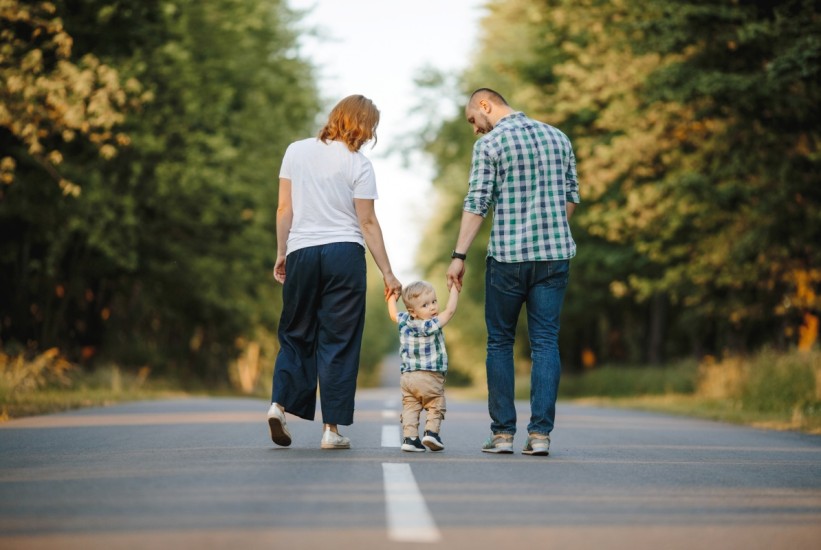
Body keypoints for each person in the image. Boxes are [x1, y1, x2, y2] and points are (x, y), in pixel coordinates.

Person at [446, 88, 580, 456]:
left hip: (508, 258)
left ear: (485, 105)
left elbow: (477, 202)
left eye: (474, 119)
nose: (475, 129)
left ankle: (503, 435)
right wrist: (551, 229)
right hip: (554, 258)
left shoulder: (491, 146)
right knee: (546, 343)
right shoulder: (558, 137)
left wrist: (459, 255)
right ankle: (539, 436)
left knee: (501, 342)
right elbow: (571, 195)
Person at [267, 95, 402, 450]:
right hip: (344, 254)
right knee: (338, 341)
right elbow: (367, 222)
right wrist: (388, 273)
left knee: (296, 334)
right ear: (364, 126)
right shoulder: (360, 164)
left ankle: (278, 405)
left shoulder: (295, 151)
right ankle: (331, 430)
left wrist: (282, 252)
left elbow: (284, 208)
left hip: (302, 252)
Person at [387, 281, 459, 452]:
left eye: (434, 301)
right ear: (413, 311)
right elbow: (449, 311)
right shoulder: (430, 325)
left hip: (408, 377)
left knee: (410, 406)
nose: (433, 308)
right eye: (425, 305)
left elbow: (392, 314)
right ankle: (432, 433)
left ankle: (410, 438)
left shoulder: (404, 320)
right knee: (436, 402)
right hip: (430, 375)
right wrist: (455, 289)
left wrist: (391, 296)